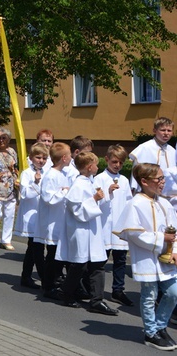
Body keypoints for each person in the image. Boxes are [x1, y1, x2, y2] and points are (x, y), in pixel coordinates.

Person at [114, 163, 177, 351]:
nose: (162, 182)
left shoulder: (164, 203)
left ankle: (160, 325)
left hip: (166, 258)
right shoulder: (135, 203)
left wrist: (174, 249)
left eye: (163, 178)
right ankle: (151, 332)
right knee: (150, 295)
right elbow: (135, 234)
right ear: (144, 181)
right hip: (146, 258)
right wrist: (160, 238)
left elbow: (174, 231)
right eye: (158, 179)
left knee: (173, 292)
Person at [56, 151, 119, 315]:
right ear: (90, 167)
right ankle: (67, 293)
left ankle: (96, 301)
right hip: (81, 231)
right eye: (96, 164)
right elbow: (77, 209)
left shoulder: (88, 182)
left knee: (98, 264)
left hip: (92, 230)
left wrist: (105, 195)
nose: (98, 167)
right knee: (80, 265)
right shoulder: (78, 185)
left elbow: (94, 203)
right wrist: (95, 199)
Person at [93, 144, 134, 307]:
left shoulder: (124, 180)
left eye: (121, 163)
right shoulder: (99, 179)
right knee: (100, 260)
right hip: (104, 225)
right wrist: (108, 192)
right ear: (107, 159)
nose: (117, 165)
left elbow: (129, 202)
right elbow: (96, 201)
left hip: (119, 226)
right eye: (115, 161)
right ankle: (95, 290)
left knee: (120, 260)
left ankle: (118, 290)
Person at [34, 142, 71, 298]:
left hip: (61, 220)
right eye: (69, 155)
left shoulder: (63, 174)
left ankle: (55, 282)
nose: (71, 158)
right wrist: (64, 192)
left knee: (58, 256)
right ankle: (48, 286)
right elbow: (48, 198)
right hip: (51, 222)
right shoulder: (50, 175)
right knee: (52, 256)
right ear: (63, 158)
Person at [14, 142, 48, 289]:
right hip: (31, 215)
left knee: (32, 248)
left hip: (42, 214)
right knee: (37, 248)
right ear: (32, 157)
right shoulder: (26, 173)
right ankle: (45, 277)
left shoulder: (47, 172)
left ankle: (26, 276)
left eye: (44, 158)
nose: (41, 160)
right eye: (38, 157)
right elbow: (26, 194)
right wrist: (35, 182)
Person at [130, 117, 177, 204]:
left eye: (169, 131)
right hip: (149, 194)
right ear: (155, 131)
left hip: (170, 197)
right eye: (163, 130)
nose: (166, 133)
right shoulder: (145, 148)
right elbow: (136, 172)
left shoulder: (173, 151)